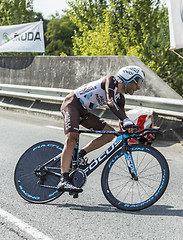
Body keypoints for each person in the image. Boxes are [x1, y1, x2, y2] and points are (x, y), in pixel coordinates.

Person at [57, 65, 145, 193]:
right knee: (72, 139)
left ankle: (80, 154)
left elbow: (122, 118)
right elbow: (110, 101)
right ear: (128, 77)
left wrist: (134, 133)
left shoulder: (120, 99)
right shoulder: (111, 80)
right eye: (137, 82)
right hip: (72, 104)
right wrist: (126, 120)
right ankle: (63, 179)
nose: (138, 87)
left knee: (109, 134)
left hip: (83, 111)